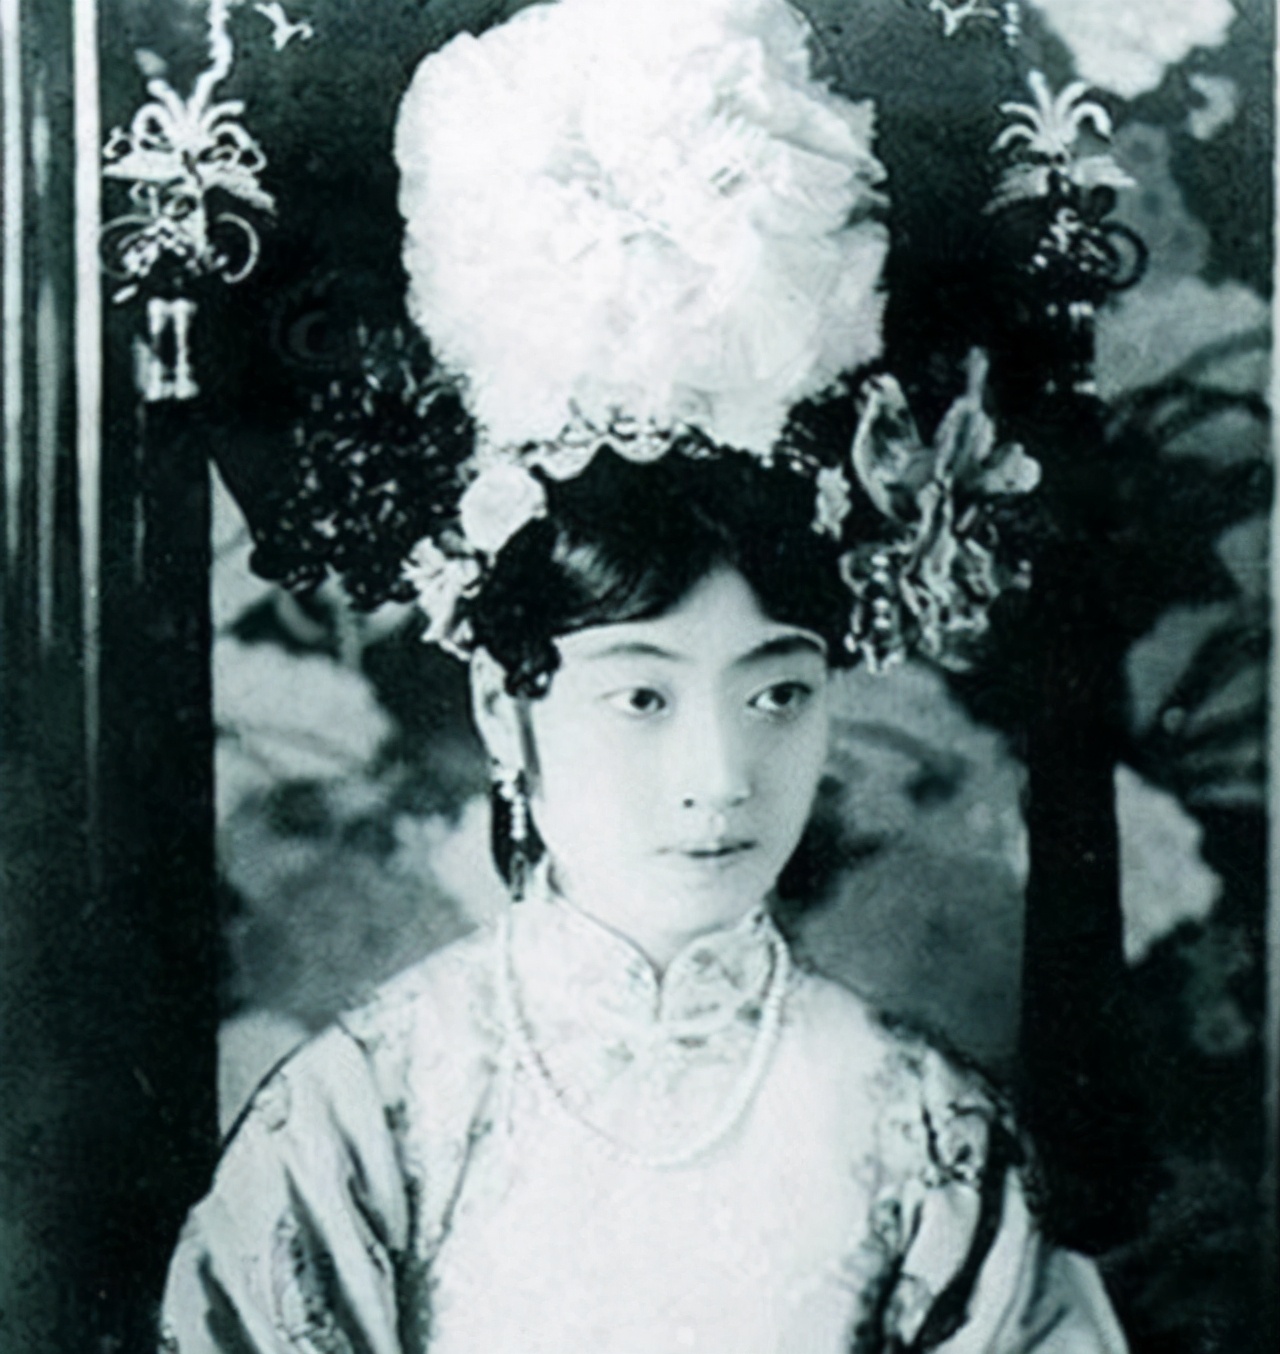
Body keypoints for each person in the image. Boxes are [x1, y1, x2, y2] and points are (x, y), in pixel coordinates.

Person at [161, 1, 1128, 1349]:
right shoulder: (360, 1124)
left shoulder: (925, 1133)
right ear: (508, 712)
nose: (719, 775)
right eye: (640, 696)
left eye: (777, 692)